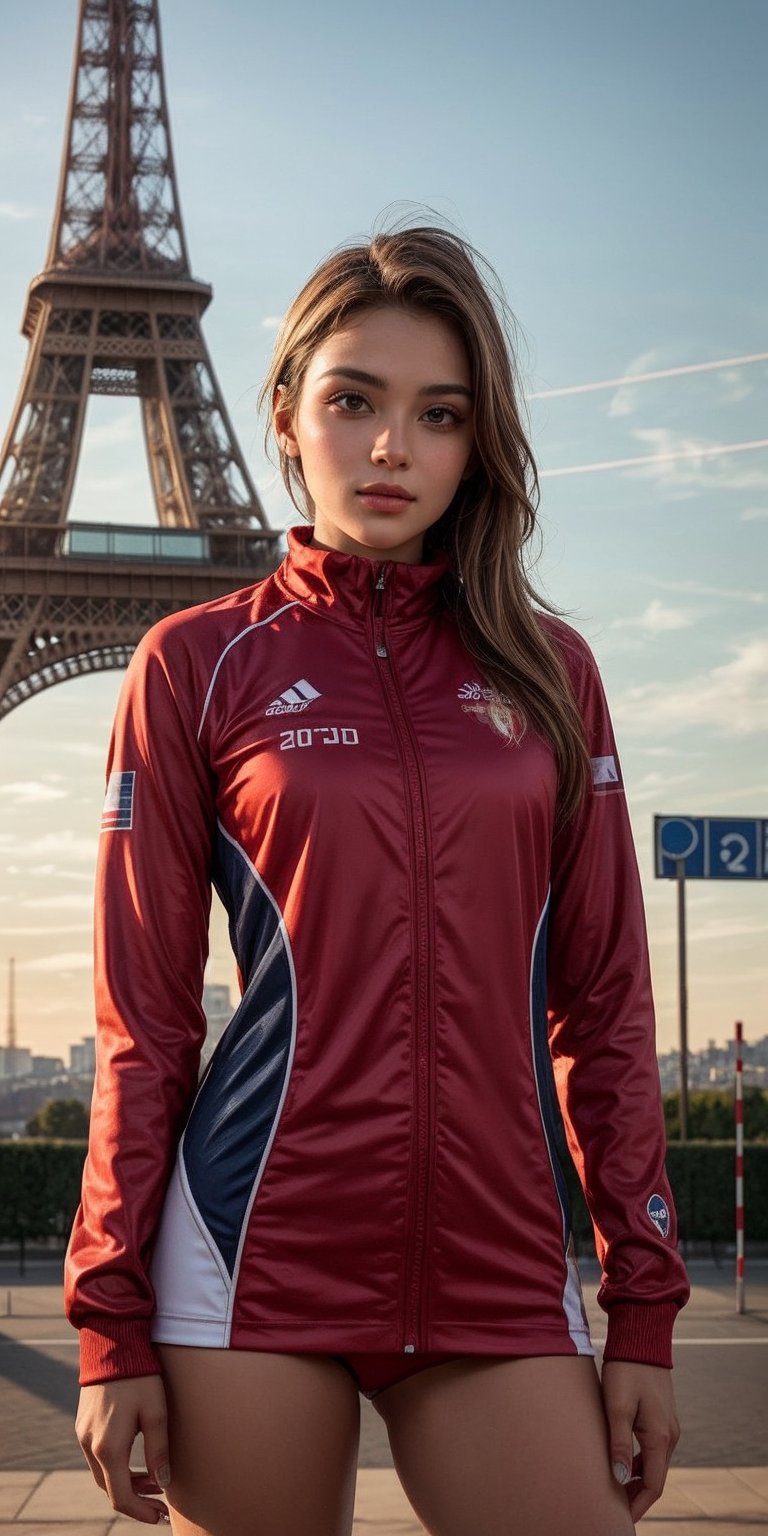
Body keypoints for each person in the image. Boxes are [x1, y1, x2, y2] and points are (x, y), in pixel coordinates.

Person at [65, 223, 689, 1536]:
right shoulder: (198, 663)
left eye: (440, 413)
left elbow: (608, 1009)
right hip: (249, 1257)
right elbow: (146, 1026)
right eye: (355, 399)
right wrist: (110, 1320)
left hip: (497, 1259)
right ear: (287, 412)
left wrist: (643, 1307)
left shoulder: (550, 673)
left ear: (479, 443)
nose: (394, 446)